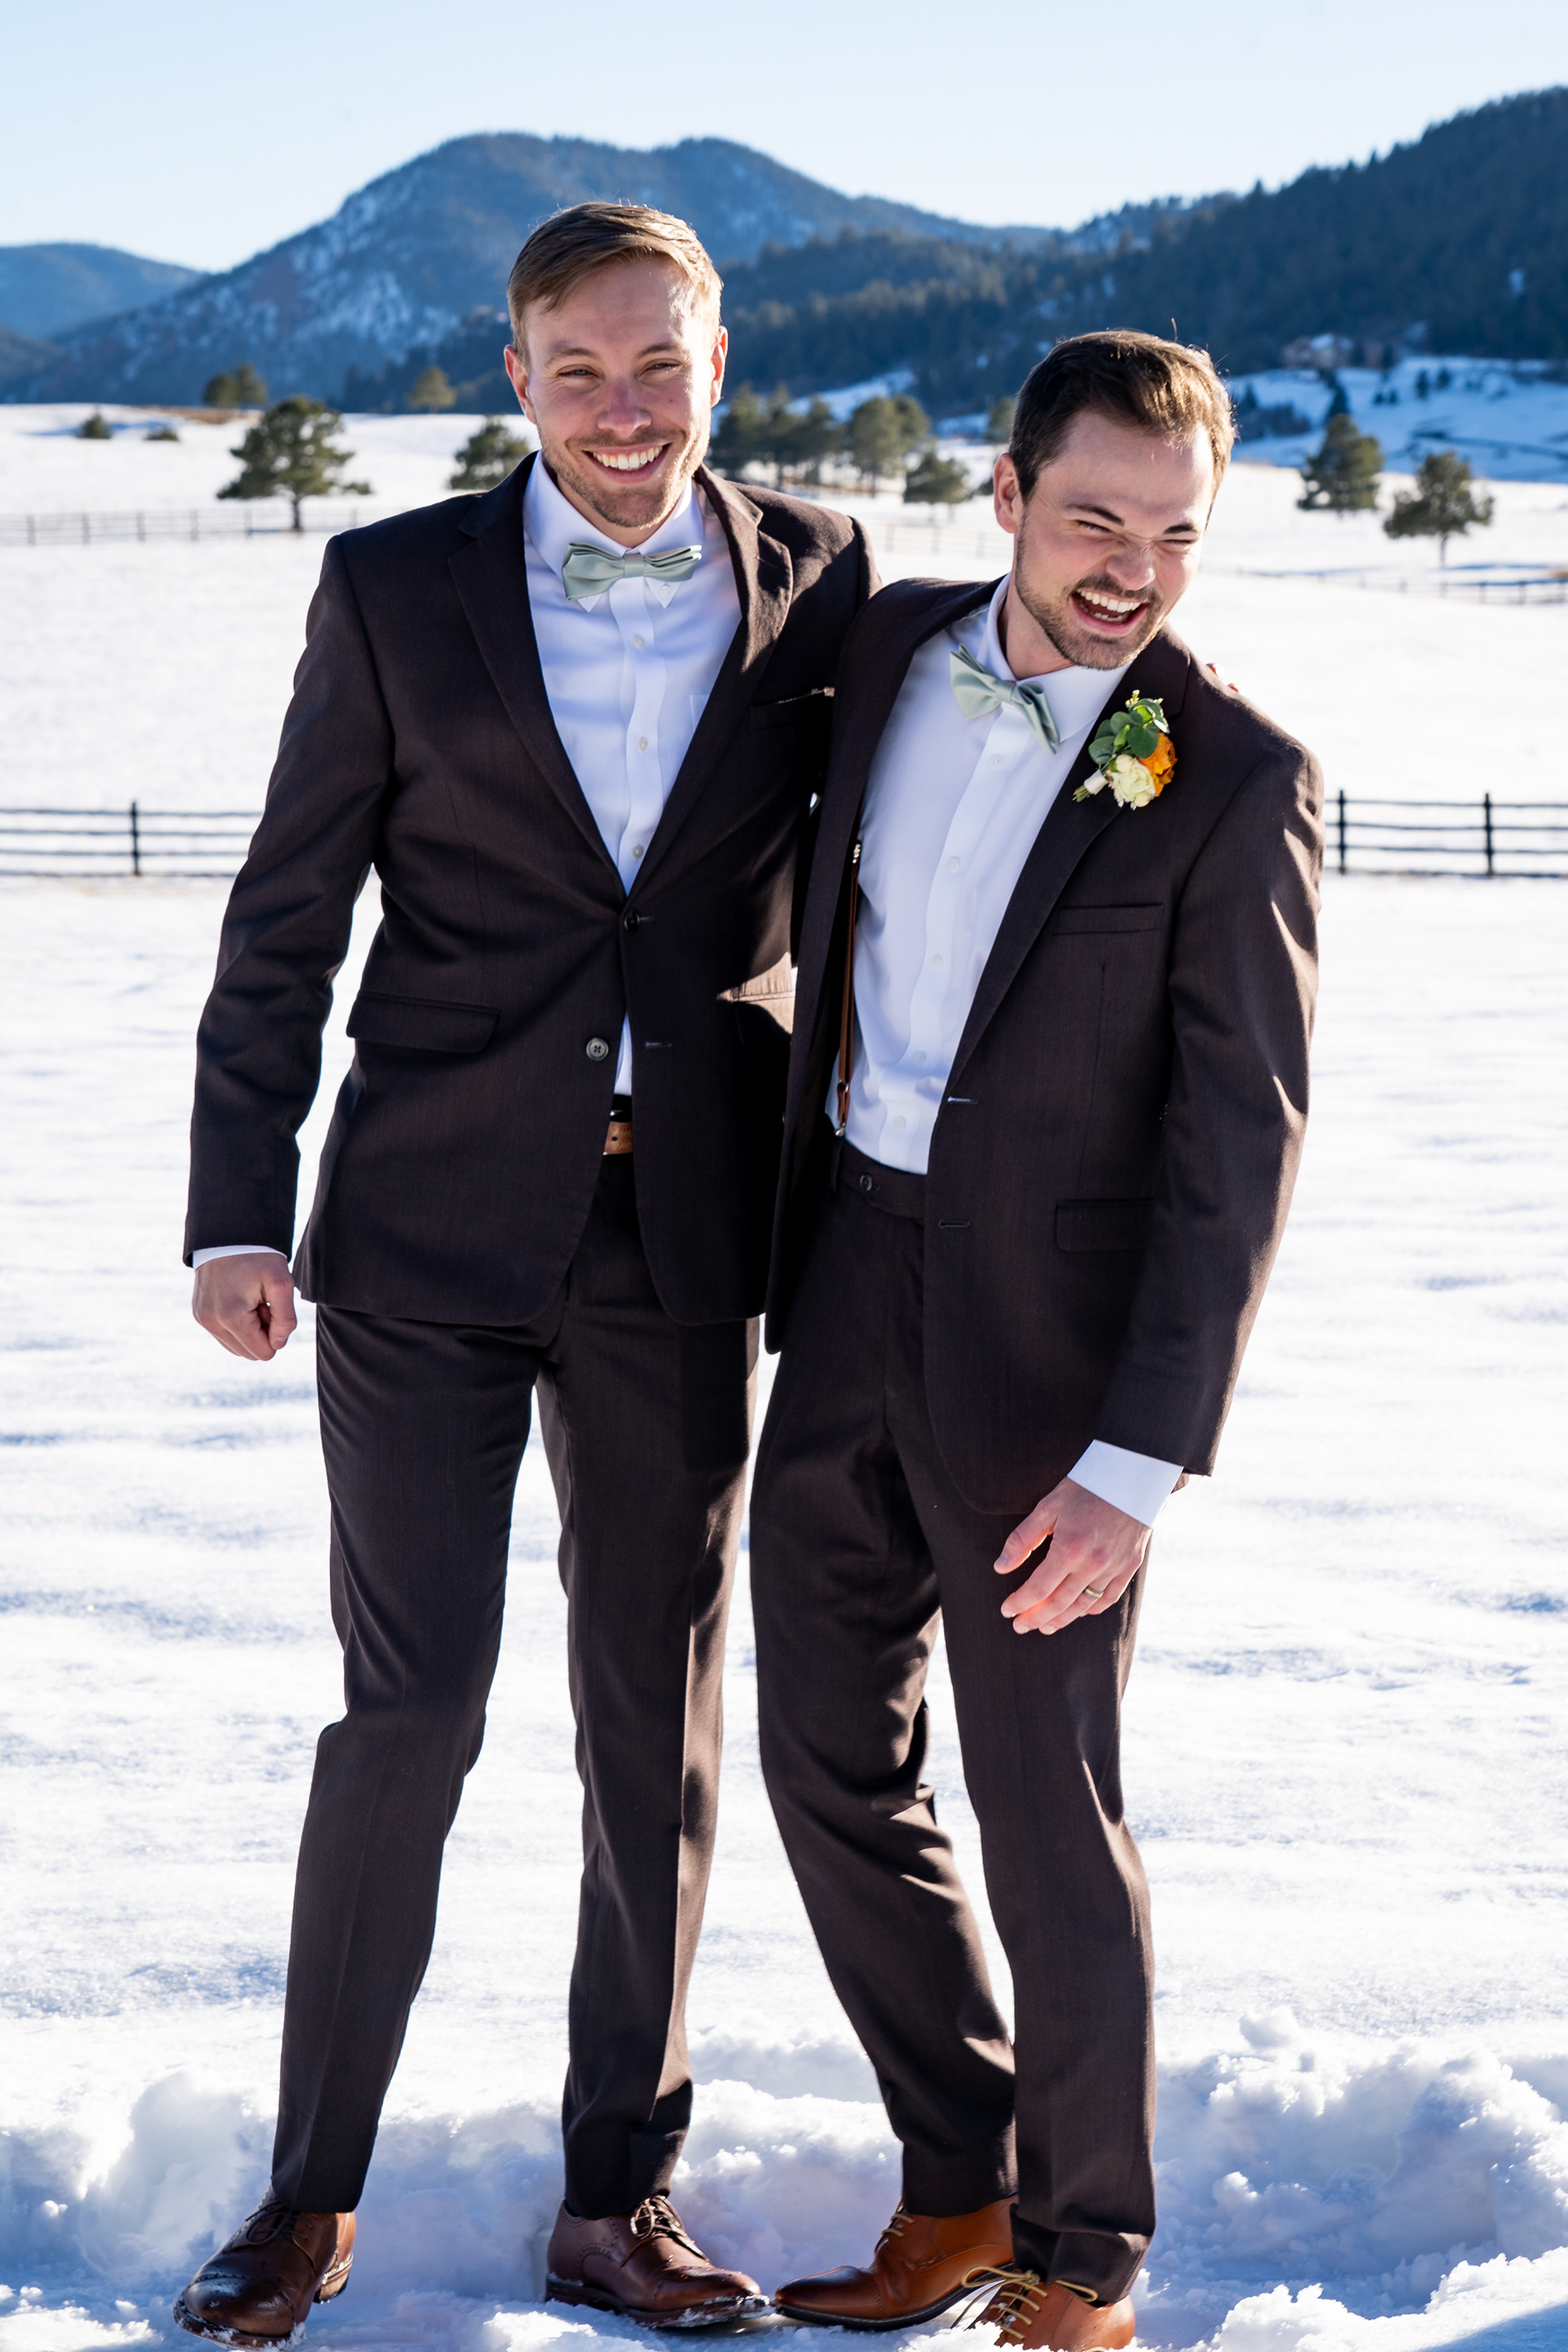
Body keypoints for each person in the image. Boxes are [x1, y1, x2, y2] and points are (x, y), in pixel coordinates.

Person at [176, 201, 875, 2345]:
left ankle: (615, 2197)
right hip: (422, 1237)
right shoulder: (392, 589)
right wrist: (235, 1200)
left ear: (720, 365)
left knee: (650, 1724)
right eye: (579, 370)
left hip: (688, 1240)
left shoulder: (826, 576)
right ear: (515, 379)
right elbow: (289, 910)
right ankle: (310, 2195)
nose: (623, 411)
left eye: (660, 366)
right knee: (411, 1712)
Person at [751, 331, 1323, 2350]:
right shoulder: (888, 651)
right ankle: (963, 2177)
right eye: (1091, 519)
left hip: (1054, 1370)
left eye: (1176, 535)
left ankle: (1083, 2265)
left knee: (1046, 1806)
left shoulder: (1231, 775)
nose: (1130, 570)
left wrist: (1136, 1463)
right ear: (1002, 496)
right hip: (843, 1274)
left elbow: (1239, 1149)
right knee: (825, 1757)